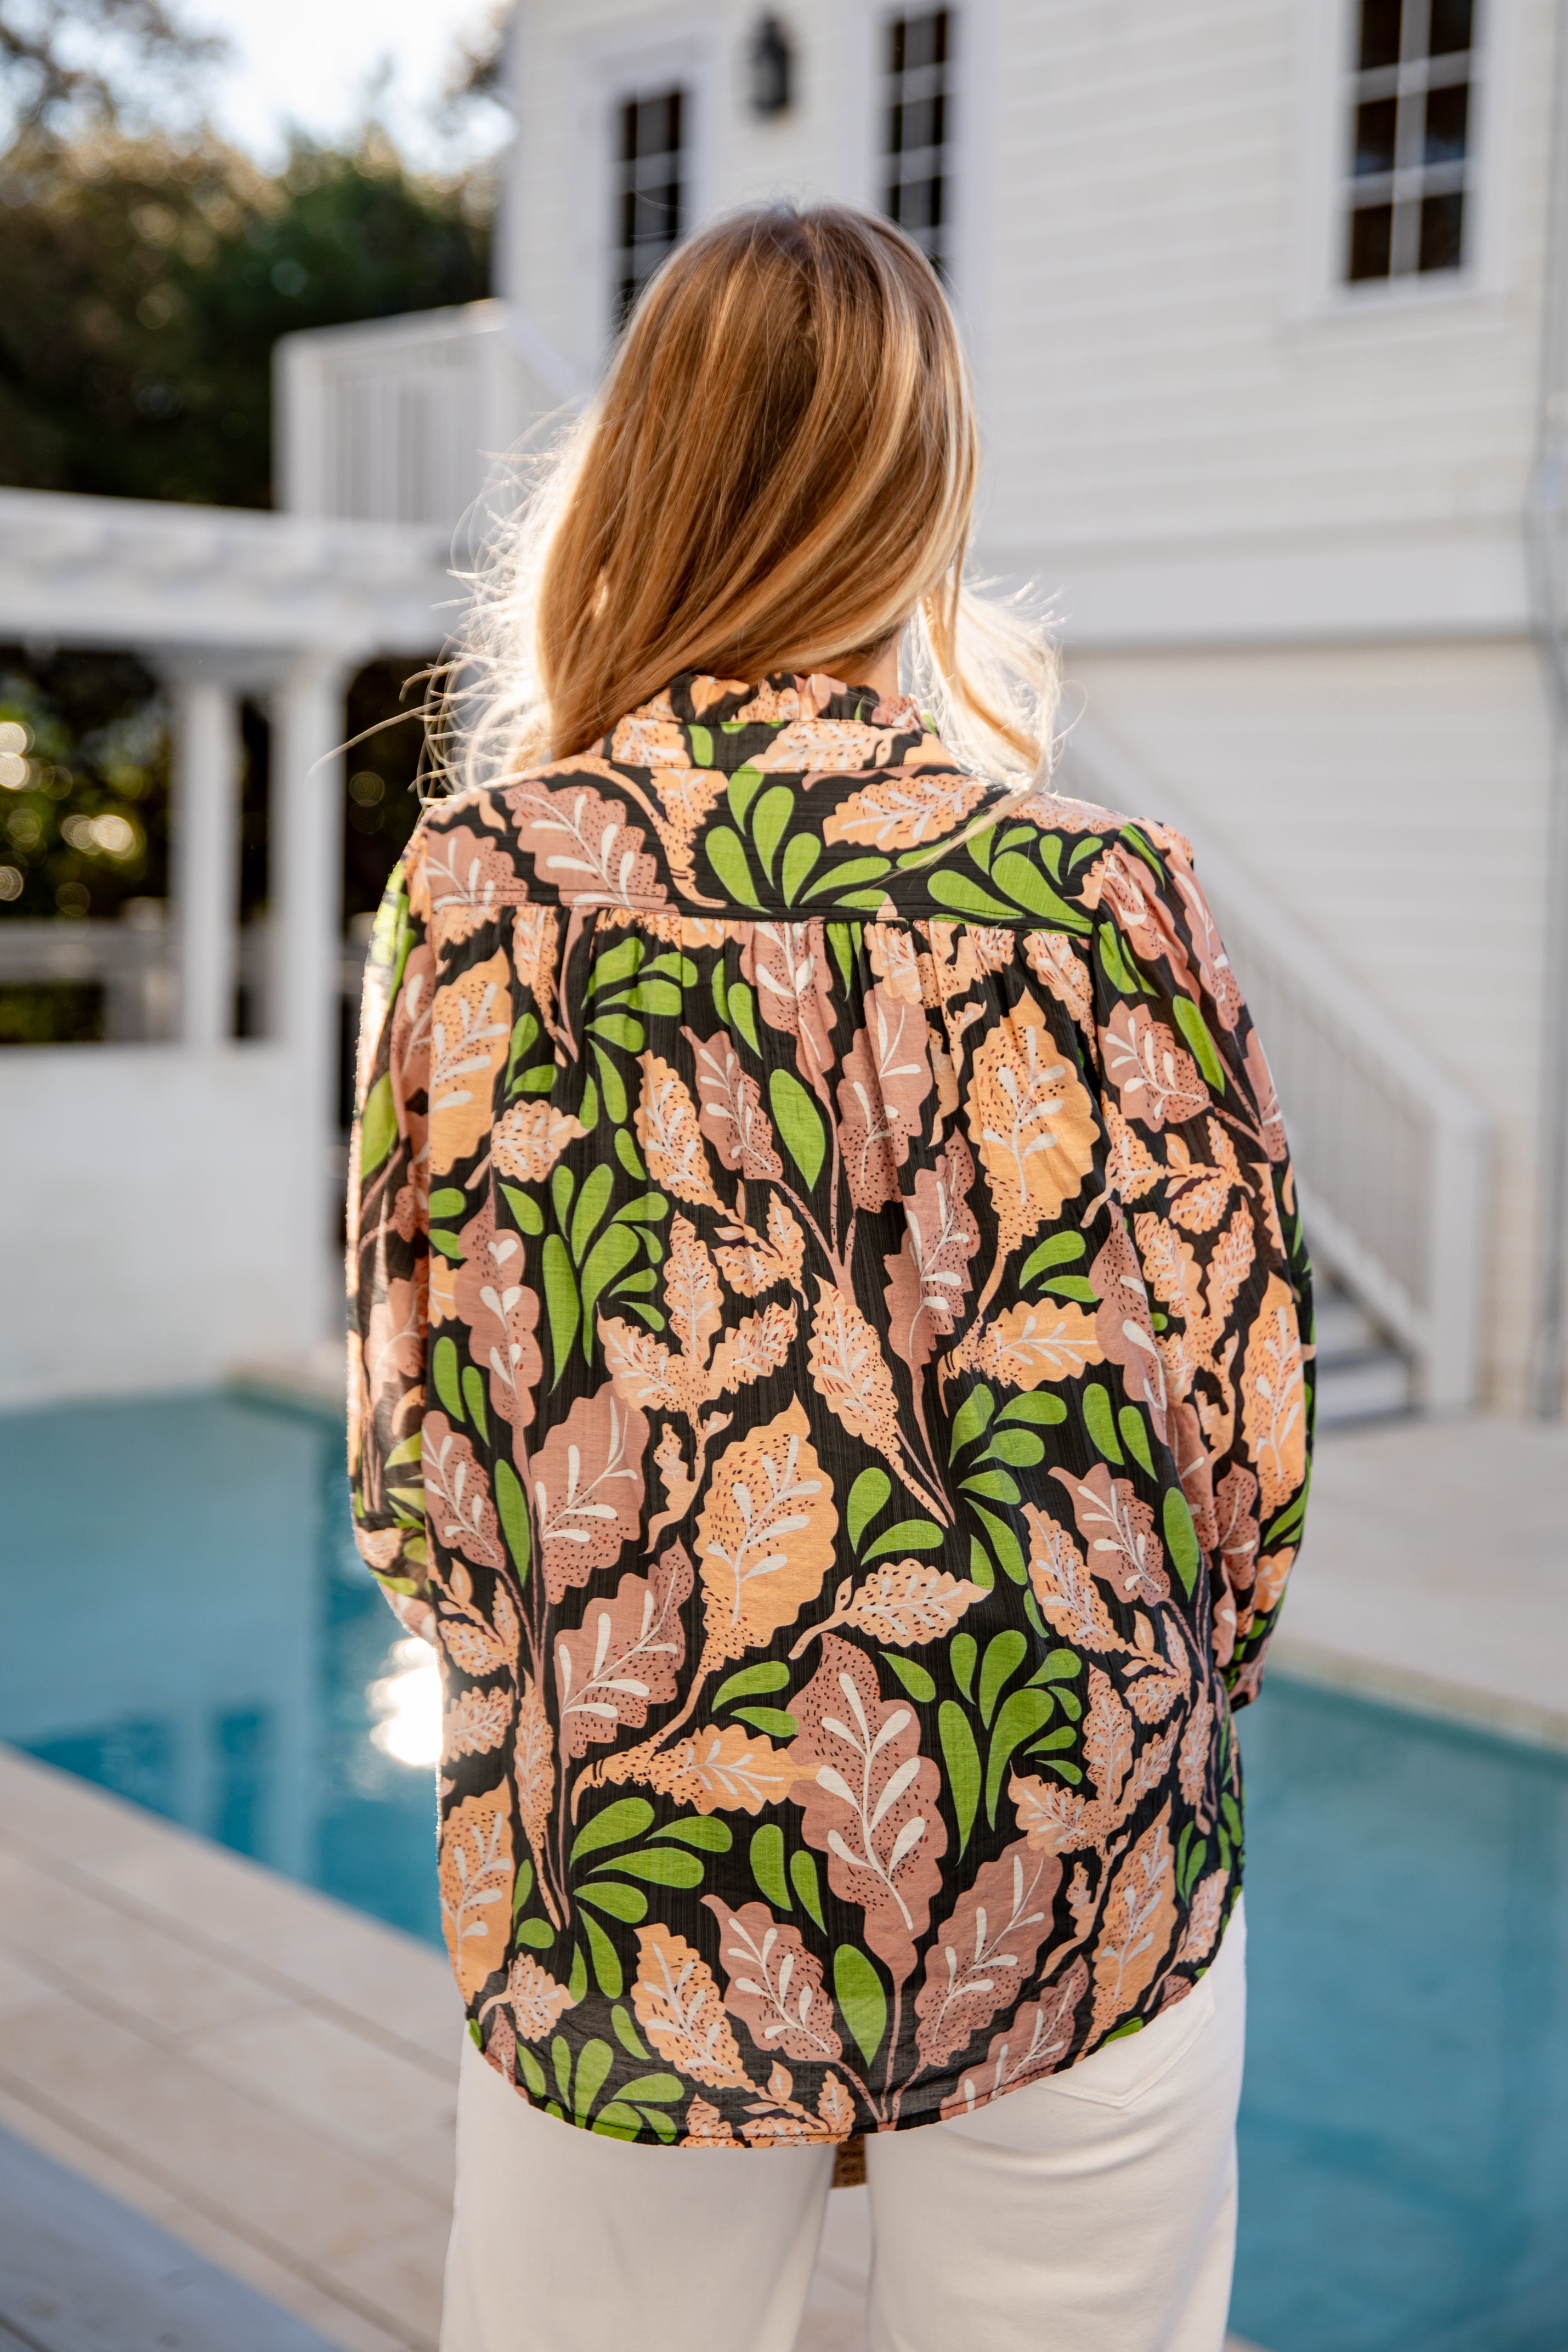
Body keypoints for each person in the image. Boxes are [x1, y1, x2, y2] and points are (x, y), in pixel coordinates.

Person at [346, 202, 1312, 2352]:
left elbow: (416, 1453)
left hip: (636, 1863)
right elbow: (1252, 1455)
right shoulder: (1113, 898)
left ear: (642, 475)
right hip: (1077, 1834)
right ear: (927, 489)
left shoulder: (487, 889)